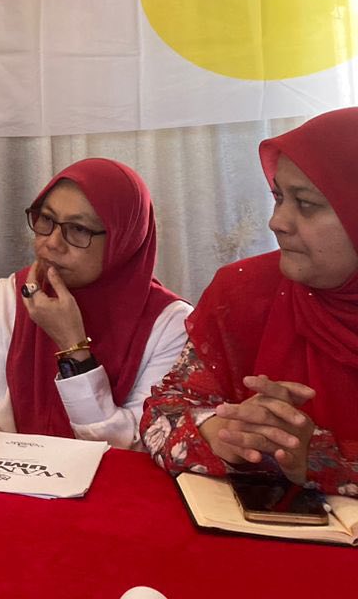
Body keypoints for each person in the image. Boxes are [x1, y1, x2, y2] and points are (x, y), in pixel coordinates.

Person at [142, 108, 358, 495]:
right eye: (279, 198)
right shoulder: (245, 292)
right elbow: (165, 409)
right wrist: (224, 433)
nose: (277, 222)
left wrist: (316, 461)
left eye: (306, 203)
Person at [0, 158, 191, 449]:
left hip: (114, 478)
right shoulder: (2, 302)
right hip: (8, 475)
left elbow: (140, 448)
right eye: (47, 219)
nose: (53, 243)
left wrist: (74, 349)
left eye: (78, 229)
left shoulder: (171, 324)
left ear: (123, 241)